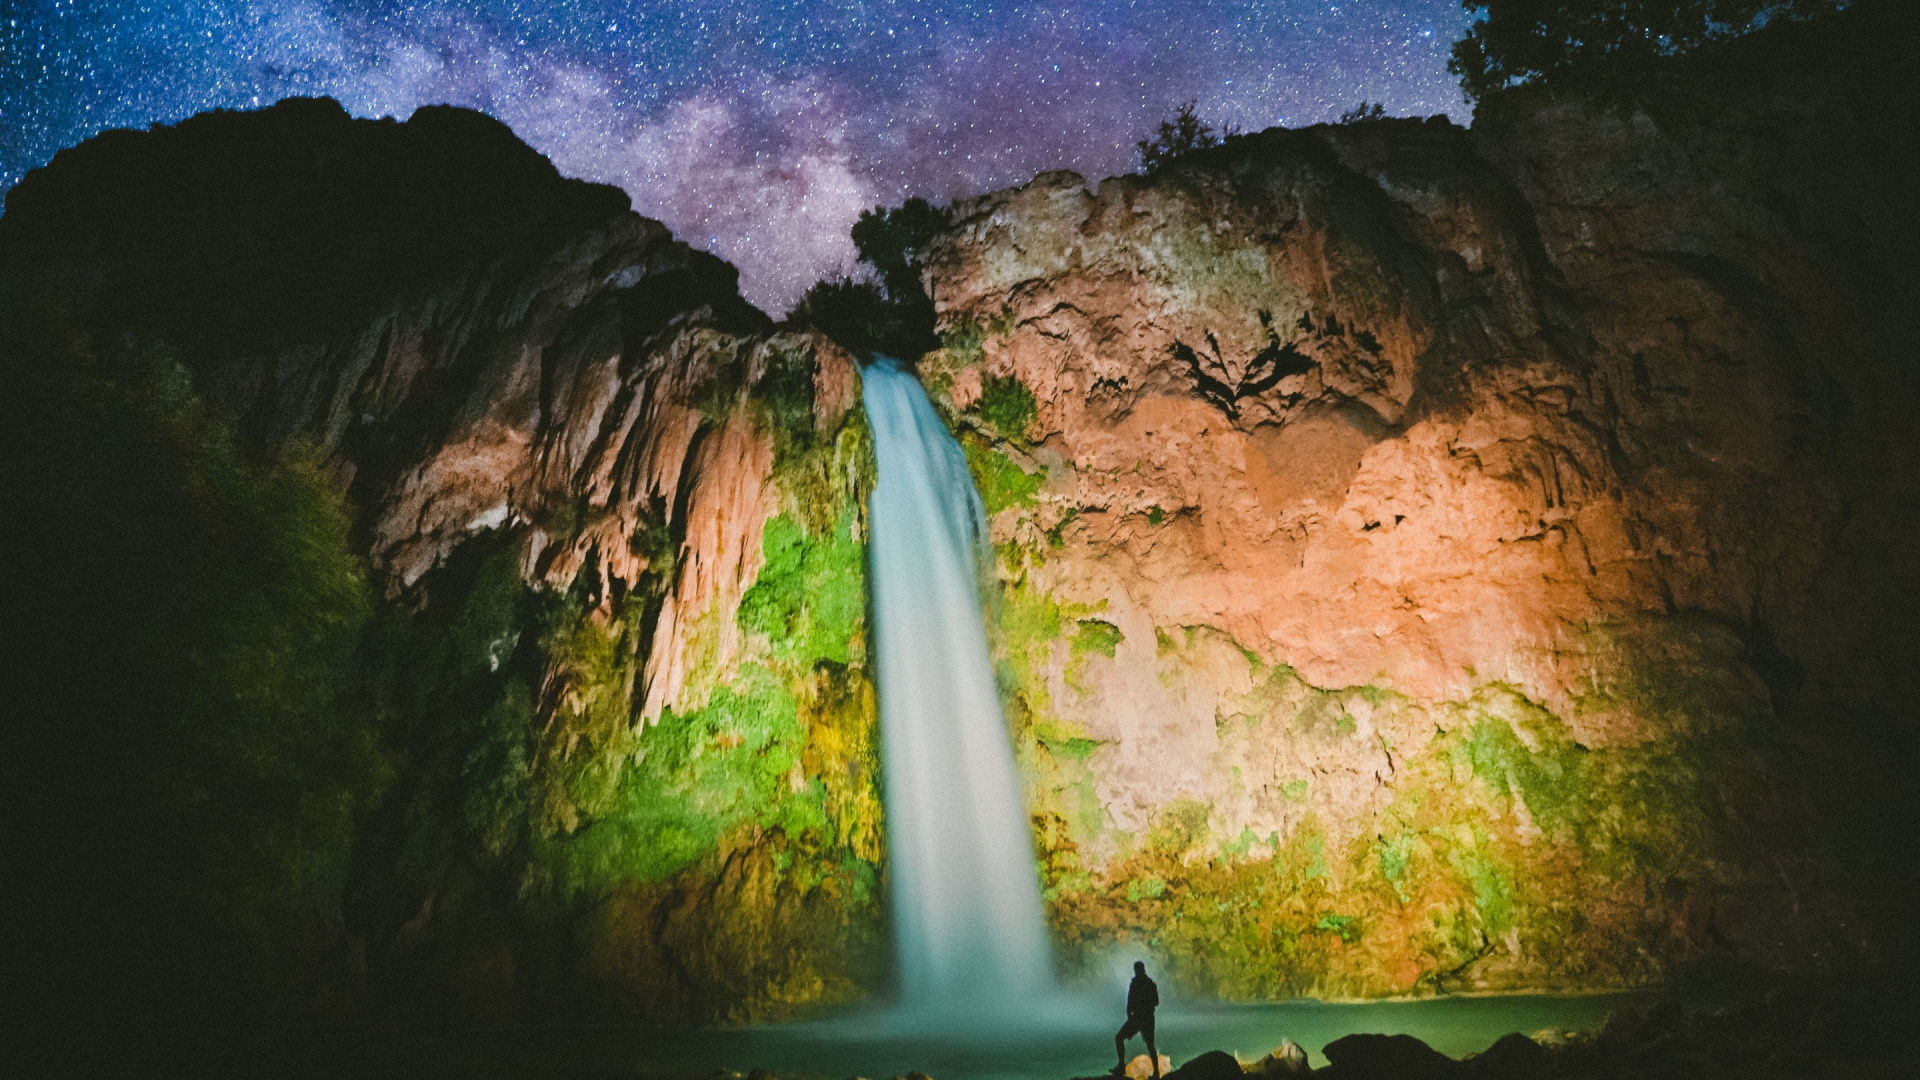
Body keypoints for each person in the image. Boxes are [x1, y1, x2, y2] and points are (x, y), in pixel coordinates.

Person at [1113, 960, 1160, 1077]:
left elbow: (1130, 1002)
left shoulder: (1135, 983)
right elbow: (1156, 1002)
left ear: (1136, 970)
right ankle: (1156, 1072)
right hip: (1149, 1017)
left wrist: (1130, 1017)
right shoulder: (1151, 983)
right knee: (1150, 1044)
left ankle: (1121, 1066)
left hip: (1138, 1016)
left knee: (1119, 1038)